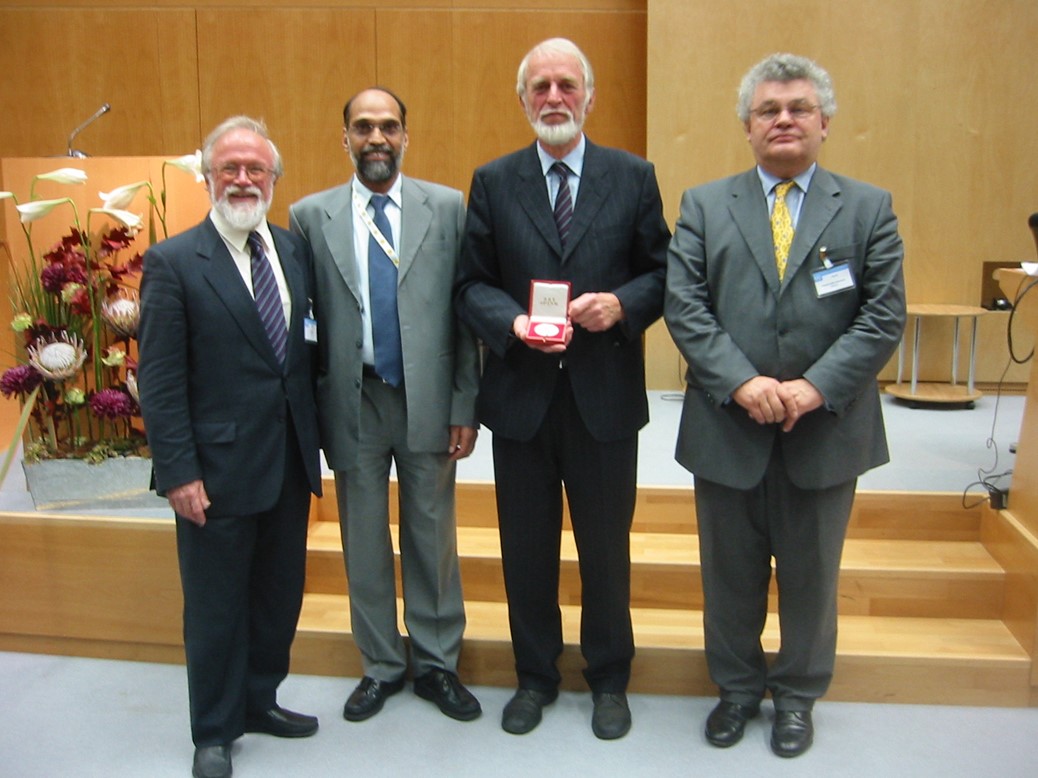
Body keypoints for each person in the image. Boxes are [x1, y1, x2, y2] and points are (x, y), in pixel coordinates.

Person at [664, 53, 907, 758]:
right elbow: (686, 308)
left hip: (825, 428)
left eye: (799, 108)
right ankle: (737, 690)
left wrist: (814, 386)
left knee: (810, 577)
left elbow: (882, 316)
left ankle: (798, 697)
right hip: (726, 425)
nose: (784, 120)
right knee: (729, 574)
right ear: (747, 125)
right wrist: (742, 382)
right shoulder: (705, 205)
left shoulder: (868, 207)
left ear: (824, 123)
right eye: (769, 110)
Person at [454, 38, 670, 740]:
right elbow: (469, 284)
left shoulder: (633, 177)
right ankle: (535, 676)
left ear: (589, 96)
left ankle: (609, 678)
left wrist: (622, 307)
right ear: (523, 100)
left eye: (566, 85)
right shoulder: (492, 181)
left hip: (604, 397)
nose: (554, 97)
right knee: (526, 549)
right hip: (521, 399)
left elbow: (662, 273)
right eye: (540, 86)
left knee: (606, 549)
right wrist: (511, 321)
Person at [289, 87, 482, 723]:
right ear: (343, 137)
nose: (377, 137)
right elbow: (304, 324)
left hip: (428, 397)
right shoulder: (309, 215)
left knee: (433, 531)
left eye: (390, 127)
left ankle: (436, 662)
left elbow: (466, 315)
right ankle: (380, 664)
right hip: (354, 399)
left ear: (406, 136)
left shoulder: (448, 208)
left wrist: (464, 402)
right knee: (363, 537)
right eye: (363, 127)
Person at [138, 116, 324, 778]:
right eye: (230, 169)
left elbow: (306, 355)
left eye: (256, 170)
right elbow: (158, 383)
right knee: (216, 608)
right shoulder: (172, 262)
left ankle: (259, 700)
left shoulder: (295, 251)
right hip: (212, 475)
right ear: (208, 177)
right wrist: (178, 472)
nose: (243, 179)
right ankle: (214, 731)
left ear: (274, 179)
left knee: (278, 596)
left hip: (288, 460)